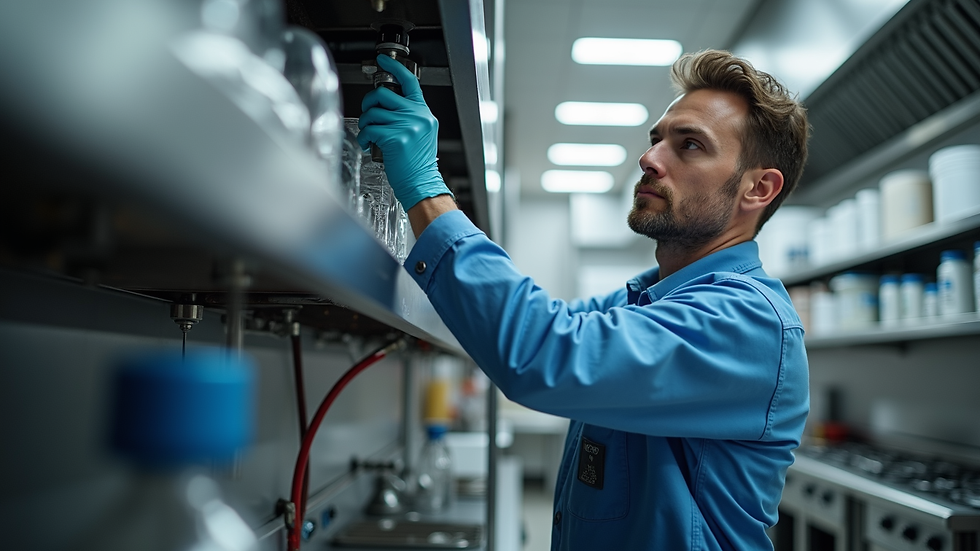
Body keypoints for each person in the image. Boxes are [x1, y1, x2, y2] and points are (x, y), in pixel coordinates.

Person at [357, 49, 810, 550]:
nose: (649, 158)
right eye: (656, 139)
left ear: (758, 188)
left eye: (689, 146)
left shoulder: (745, 321)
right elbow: (541, 326)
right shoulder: (645, 299)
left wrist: (426, 189)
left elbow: (542, 353)